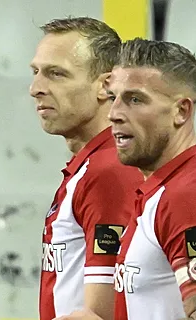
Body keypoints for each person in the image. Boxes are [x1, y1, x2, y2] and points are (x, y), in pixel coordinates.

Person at [56, 39, 196, 320]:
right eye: (113, 98)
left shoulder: (184, 196)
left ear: (181, 111)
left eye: (135, 99)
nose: (114, 114)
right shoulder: (158, 191)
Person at [29, 17, 144, 320]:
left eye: (56, 74)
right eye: (36, 72)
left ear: (106, 86)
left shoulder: (108, 171)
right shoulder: (91, 166)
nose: (36, 88)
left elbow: (102, 313)